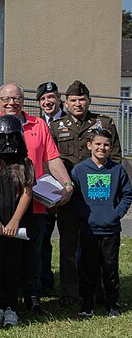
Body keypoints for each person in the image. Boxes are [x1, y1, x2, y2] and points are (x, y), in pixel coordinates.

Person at [0, 82, 73, 314]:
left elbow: (52, 158)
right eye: (6, 99)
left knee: (33, 252)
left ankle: (33, 297)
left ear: (23, 101)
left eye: (16, 99)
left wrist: (67, 184)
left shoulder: (38, 126)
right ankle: (2, 300)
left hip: (32, 202)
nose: (11, 103)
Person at [49, 80, 122, 311]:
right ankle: (70, 292)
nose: (78, 104)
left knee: (98, 245)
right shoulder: (56, 126)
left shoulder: (104, 123)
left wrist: (114, 197)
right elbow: (51, 161)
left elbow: (117, 159)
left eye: (82, 99)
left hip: (98, 197)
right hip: (70, 196)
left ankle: (99, 290)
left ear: (88, 100)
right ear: (66, 103)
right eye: (73, 100)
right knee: (69, 244)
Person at [0, 116, 35, 327]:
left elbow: (27, 193)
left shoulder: (25, 163)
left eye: (13, 138)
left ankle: (11, 307)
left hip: (16, 224)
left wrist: (14, 222)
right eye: (3, 138)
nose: (8, 143)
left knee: (13, 265)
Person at [70, 129, 131, 319]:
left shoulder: (117, 169)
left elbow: (127, 194)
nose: (101, 148)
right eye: (97, 144)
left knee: (110, 267)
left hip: (110, 229)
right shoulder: (79, 170)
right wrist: (84, 215)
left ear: (111, 148)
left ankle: (112, 303)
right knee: (89, 267)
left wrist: (117, 213)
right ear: (90, 146)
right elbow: (75, 197)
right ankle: (87, 304)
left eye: (105, 145)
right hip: (88, 229)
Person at [36, 81, 62, 295]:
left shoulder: (67, 122)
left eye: (51, 97)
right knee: (42, 238)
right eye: (43, 99)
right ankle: (44, 281)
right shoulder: (35, 124)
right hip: (41, 191)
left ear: (59, 98)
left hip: (63, 187)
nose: (47, 102)